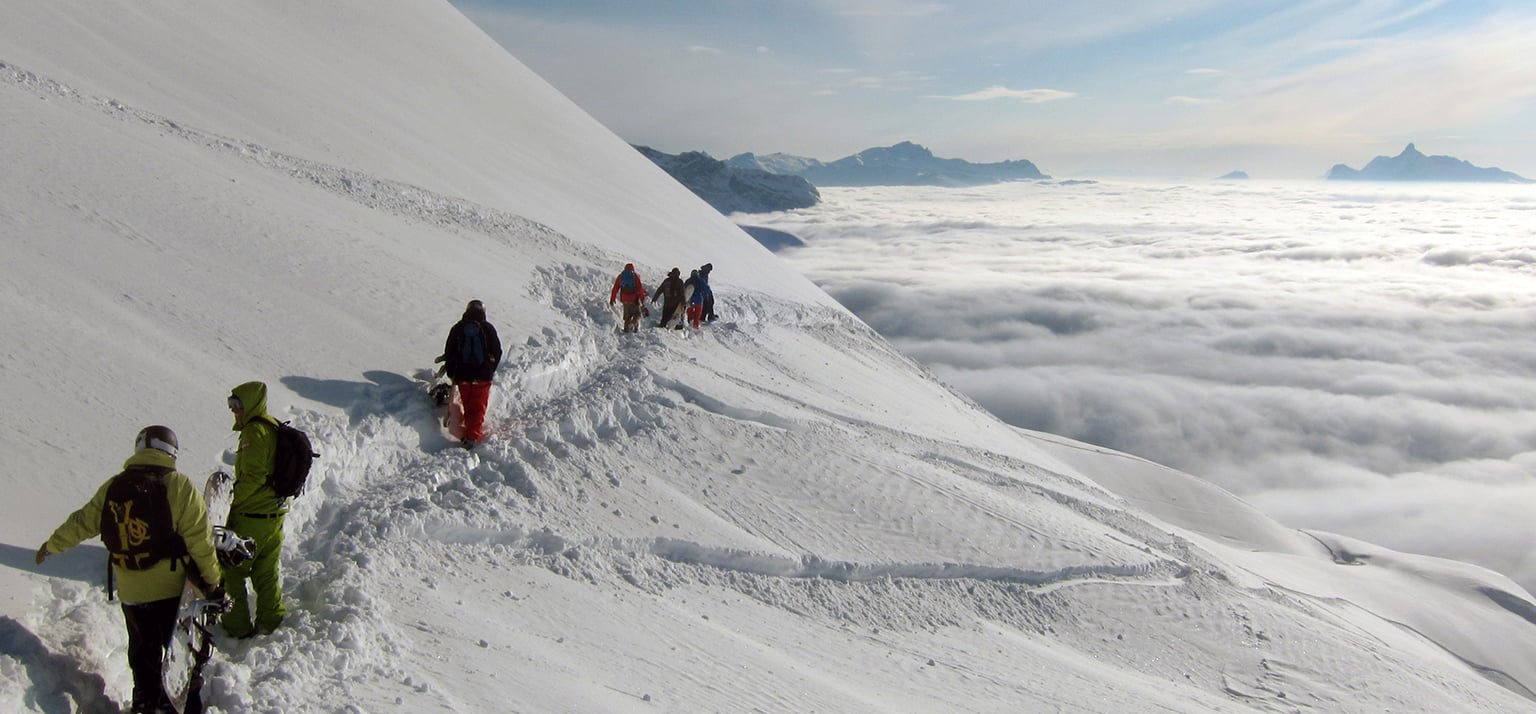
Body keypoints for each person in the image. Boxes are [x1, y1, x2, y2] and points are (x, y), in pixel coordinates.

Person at [37, 425, 223, 713]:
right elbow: (201, 542)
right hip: (171, 590)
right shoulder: (179, 486)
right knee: (183, 662)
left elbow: (82, 522)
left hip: (131, 591)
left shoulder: (114, 486)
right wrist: (212, 580)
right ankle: (186, 707)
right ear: (171, 451)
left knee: (143, 653)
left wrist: (52, 544)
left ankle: (146, 703)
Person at [221, 381, 290, 639]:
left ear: (251, 404)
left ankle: (236, 628)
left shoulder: (254, 433)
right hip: (274, 516)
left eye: (238, 405)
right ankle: (271, 622)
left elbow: (253, 477)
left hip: (251, 517)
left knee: (231, 570)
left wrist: (232, 501)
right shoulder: (272, 427)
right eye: (231, 405)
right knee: (266, 571)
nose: (234, 411)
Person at [442, 300, 503, 447]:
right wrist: (490, 369)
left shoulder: (458, 328)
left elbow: (449, 351)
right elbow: (497, 351)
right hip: (482, 376)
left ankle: (465, 432)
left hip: (463, 375)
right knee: (478, 408)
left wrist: (453, 372)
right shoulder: (487, 328)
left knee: (468, 404)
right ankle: (471, 438)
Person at [609, 263, 648, 333]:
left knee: (627, 317)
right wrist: (642, 300)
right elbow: (640, 290)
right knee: (637, 314)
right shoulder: (635, 276)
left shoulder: (621, 276)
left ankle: (626, 331)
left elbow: (615, 288)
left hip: (624, 300)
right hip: (634, 300)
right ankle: (634, 326)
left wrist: (612, 299)